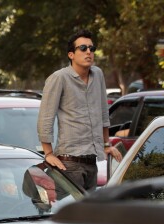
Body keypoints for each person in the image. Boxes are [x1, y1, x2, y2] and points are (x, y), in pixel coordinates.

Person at [37, 29, 122, 191]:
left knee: (88, 215)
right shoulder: (59, 78)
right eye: (83, 48)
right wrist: (48, 153)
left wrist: (106, 144)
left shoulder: (98, 75)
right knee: (73, 214)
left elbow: (104, 113)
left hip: (92, 163)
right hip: (69, 163)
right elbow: (46, 117)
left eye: (91, 48)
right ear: (71, 55)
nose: (89, 52)